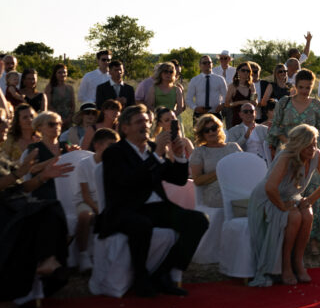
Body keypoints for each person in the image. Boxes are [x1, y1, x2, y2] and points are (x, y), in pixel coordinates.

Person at [96, 104, 208, 297]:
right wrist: (156, 156)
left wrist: (180, 156)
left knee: (199, 220)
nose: (145, 125)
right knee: (141, 225)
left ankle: (162, 273)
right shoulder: (115, 152)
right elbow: (128, 182)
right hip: (126, 208)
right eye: (139, 122)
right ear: (125, 128)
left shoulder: (152, 148)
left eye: (147, 121)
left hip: (157, 207)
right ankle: (141, 278)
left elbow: (178, 179)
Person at [0, 107, 72, 308]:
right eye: (0, 121)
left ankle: (44, 261)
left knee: (49, 208)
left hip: (7, 209)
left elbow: (18, 188)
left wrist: (43, 177)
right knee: (39, 214)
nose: (7, 124)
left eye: (7, 120)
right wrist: (18, 172)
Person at [247, 124, 320, 287]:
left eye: (314, 143)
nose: (313, 148)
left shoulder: (317, 155)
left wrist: (310, 200)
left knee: (307, 213)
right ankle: (285, 265)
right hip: (268, 198)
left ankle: (298, 262)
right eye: (308, 144)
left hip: (291, 196)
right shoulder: (286, 156)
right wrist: (283, 207)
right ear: (298, 144)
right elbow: (270, 188)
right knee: (293, 216)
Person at [72, 128, 120, 271]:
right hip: (87, 201)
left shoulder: (115, 164)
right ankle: (83, 254)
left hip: (106, 200)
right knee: (85, 216)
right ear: (98, 145)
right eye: (110, 145)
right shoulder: (84, 164)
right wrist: (100, 210)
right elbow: (86, 195)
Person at [267, 69, 320, 157]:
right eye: (301, 87)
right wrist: (290, 143)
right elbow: (275, 126)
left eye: (308, 88)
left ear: (312, 87)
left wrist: (307, 145)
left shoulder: (317, 105)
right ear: (295, 86)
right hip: (285, 150)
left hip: (308, 152)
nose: (304, 91)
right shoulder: (284, 102)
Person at [189, 114, 242, 208]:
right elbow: (197, 180)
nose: (211, 132)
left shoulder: (233, 147)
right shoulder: (200, 152)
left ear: (219, 128)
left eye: (214, 128)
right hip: (215, 193)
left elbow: (244, 168)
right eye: (206, 130)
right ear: (202, 134)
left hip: (237, 186)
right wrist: (220, 171)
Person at [224, 62, 258, 127]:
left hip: (249, 119)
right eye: (243, 70)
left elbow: (255, 102)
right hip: (236, 119)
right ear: (238, 72)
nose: (245, 72)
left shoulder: (252, 86)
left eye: (248, 71)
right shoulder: (232, 86)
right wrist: (241, 102)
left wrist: (253, 93)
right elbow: (227, 104)